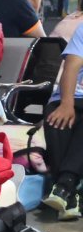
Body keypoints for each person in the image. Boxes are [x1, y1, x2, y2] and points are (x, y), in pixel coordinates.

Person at [39, 24, 83, 220]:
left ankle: (64, 186)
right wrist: (66, 103)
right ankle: (70, 193)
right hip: (72, 95)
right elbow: (72, 65)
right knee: (57, 119)